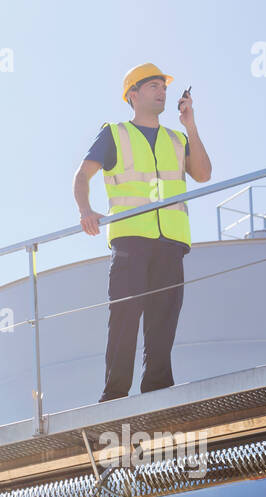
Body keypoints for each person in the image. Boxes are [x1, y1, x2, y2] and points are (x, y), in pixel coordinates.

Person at [72, 63, 212, 403]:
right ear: (132, 95)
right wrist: (85, 210)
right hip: (131, 240)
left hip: (170, 243)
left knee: (163, 320)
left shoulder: (178, 139)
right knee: (125, 316)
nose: (161, 91)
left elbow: (204, 174)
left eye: (163, 86)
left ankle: (158, 389)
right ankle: (115, 393)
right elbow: (81, 176)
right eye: (153, 86)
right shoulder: (114, 133)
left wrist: (190, 124)